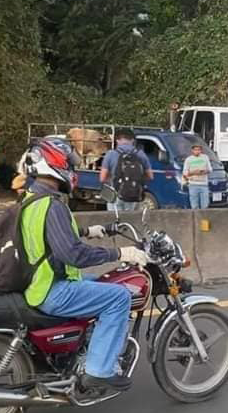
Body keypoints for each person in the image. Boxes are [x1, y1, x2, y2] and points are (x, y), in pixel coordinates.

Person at [21, 137, 148, 391]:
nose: (72, 169)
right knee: (119, 297)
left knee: (99, 282)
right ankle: (99, 370)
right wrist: (120, 253)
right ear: (54, 164)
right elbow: (74, 255)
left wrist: (89, 230)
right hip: (52, 290)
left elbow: (50, 235)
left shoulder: (32, 198)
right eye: (69, 163)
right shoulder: (52, 205)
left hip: (38, 283)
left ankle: (81, 348)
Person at [99, 128, 153, 211]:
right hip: (133, 194)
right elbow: (150, 176)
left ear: (117, 140)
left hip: (115, 194)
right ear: (133, 140)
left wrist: (114, 179)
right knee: (130, 221)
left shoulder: (111, 154)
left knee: (115, 221)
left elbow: (102, 178)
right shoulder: (141, 154)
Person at [182, 143, 213, 209]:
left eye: (198, 150)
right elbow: (185, 173)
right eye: (195, 150)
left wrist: (203, 171)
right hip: (193, 184)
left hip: (204, 184)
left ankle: (203, 218)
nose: (197, 151)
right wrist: (194, 172)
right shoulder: (188, 159)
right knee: (194, 205)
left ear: (201, 150)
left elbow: (210, 169)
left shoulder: (205, 157)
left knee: (205, 205)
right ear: (192, 150)